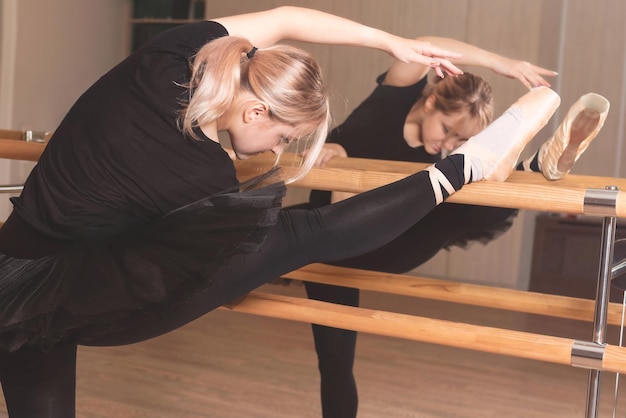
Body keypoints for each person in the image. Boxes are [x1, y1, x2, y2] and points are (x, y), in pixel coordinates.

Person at [0, 6, 562, 417]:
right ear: (256, 109)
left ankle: (481, 165)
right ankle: (465, 168)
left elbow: (287, 17)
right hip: (82, 293)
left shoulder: (175, 53)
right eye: (283, 135)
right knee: (300, 233)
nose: (276, 149)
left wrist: (391, 44)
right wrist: (390, 44)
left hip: (13, 269)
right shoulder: (202, 176)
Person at [299, 38, 609, 418]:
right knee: (334, 364)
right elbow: (427, 45)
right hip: (327, 235)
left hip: (384, 243)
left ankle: (529, 167)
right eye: (446, 129)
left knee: (457, 198)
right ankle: (525, 168)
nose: (444, 143)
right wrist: (502, 62)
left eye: (458, 140)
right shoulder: (395, 94)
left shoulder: (440, 158)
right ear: (430, 101)